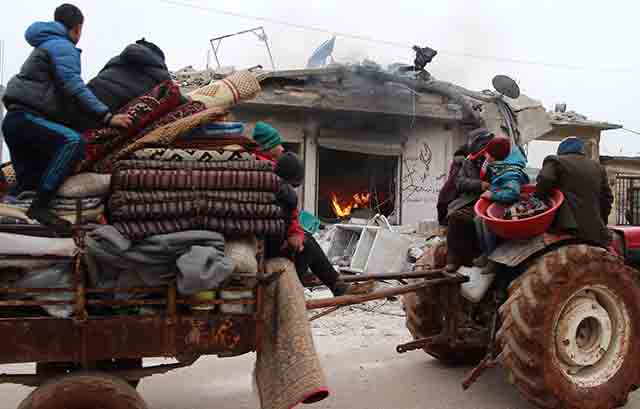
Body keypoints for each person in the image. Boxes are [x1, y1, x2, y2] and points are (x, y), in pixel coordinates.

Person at [1, 4, 131, 228]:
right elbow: (74, 86)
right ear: (77, 28)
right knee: (73, 141)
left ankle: (16, 218)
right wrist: (107, 117)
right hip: (27, 118)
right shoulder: (63, 46)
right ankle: (40, 208)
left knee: (28, 183)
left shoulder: (45, 44)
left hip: (15, 121)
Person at [253, 122, 351, 296]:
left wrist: (296, 232)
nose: (282, 148)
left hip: (266, 236)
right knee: (307, 245)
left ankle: (335, 284)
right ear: (266, 147)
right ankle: (291, 290)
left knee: (306, 241)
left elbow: (288, 213)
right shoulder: (269, 174)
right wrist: (294, 234)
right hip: (267, 241)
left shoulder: (261, 169)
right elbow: (288, 212)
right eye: (277, 144)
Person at [536, 137, 613, 247]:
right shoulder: (598, 168)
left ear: (560, 151)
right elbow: (607, 200)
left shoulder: (555, 161)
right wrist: (600, 222)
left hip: (564, 233)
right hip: (595, 234)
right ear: (582, 151)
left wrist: (538, 201)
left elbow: (545, 180)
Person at [445, 128, 494, 272]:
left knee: (479, 221)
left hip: (492, 201)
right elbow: (459, 182)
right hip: (471, 200)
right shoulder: (468, 161)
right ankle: (453, 260)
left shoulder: (496, 159)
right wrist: (479, 184)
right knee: (456, 217)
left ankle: (483, 258)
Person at [474, 137, 529, 265]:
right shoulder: (499, 166)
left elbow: (512, 193)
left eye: (488, 153)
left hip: (510, 206)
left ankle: (493, 259)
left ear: (495, 156)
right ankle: (486, 253)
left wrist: (492, 195)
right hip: (500, 203)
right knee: (477, 219)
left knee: (487, 222)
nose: (485, 155)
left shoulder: (511, 172)